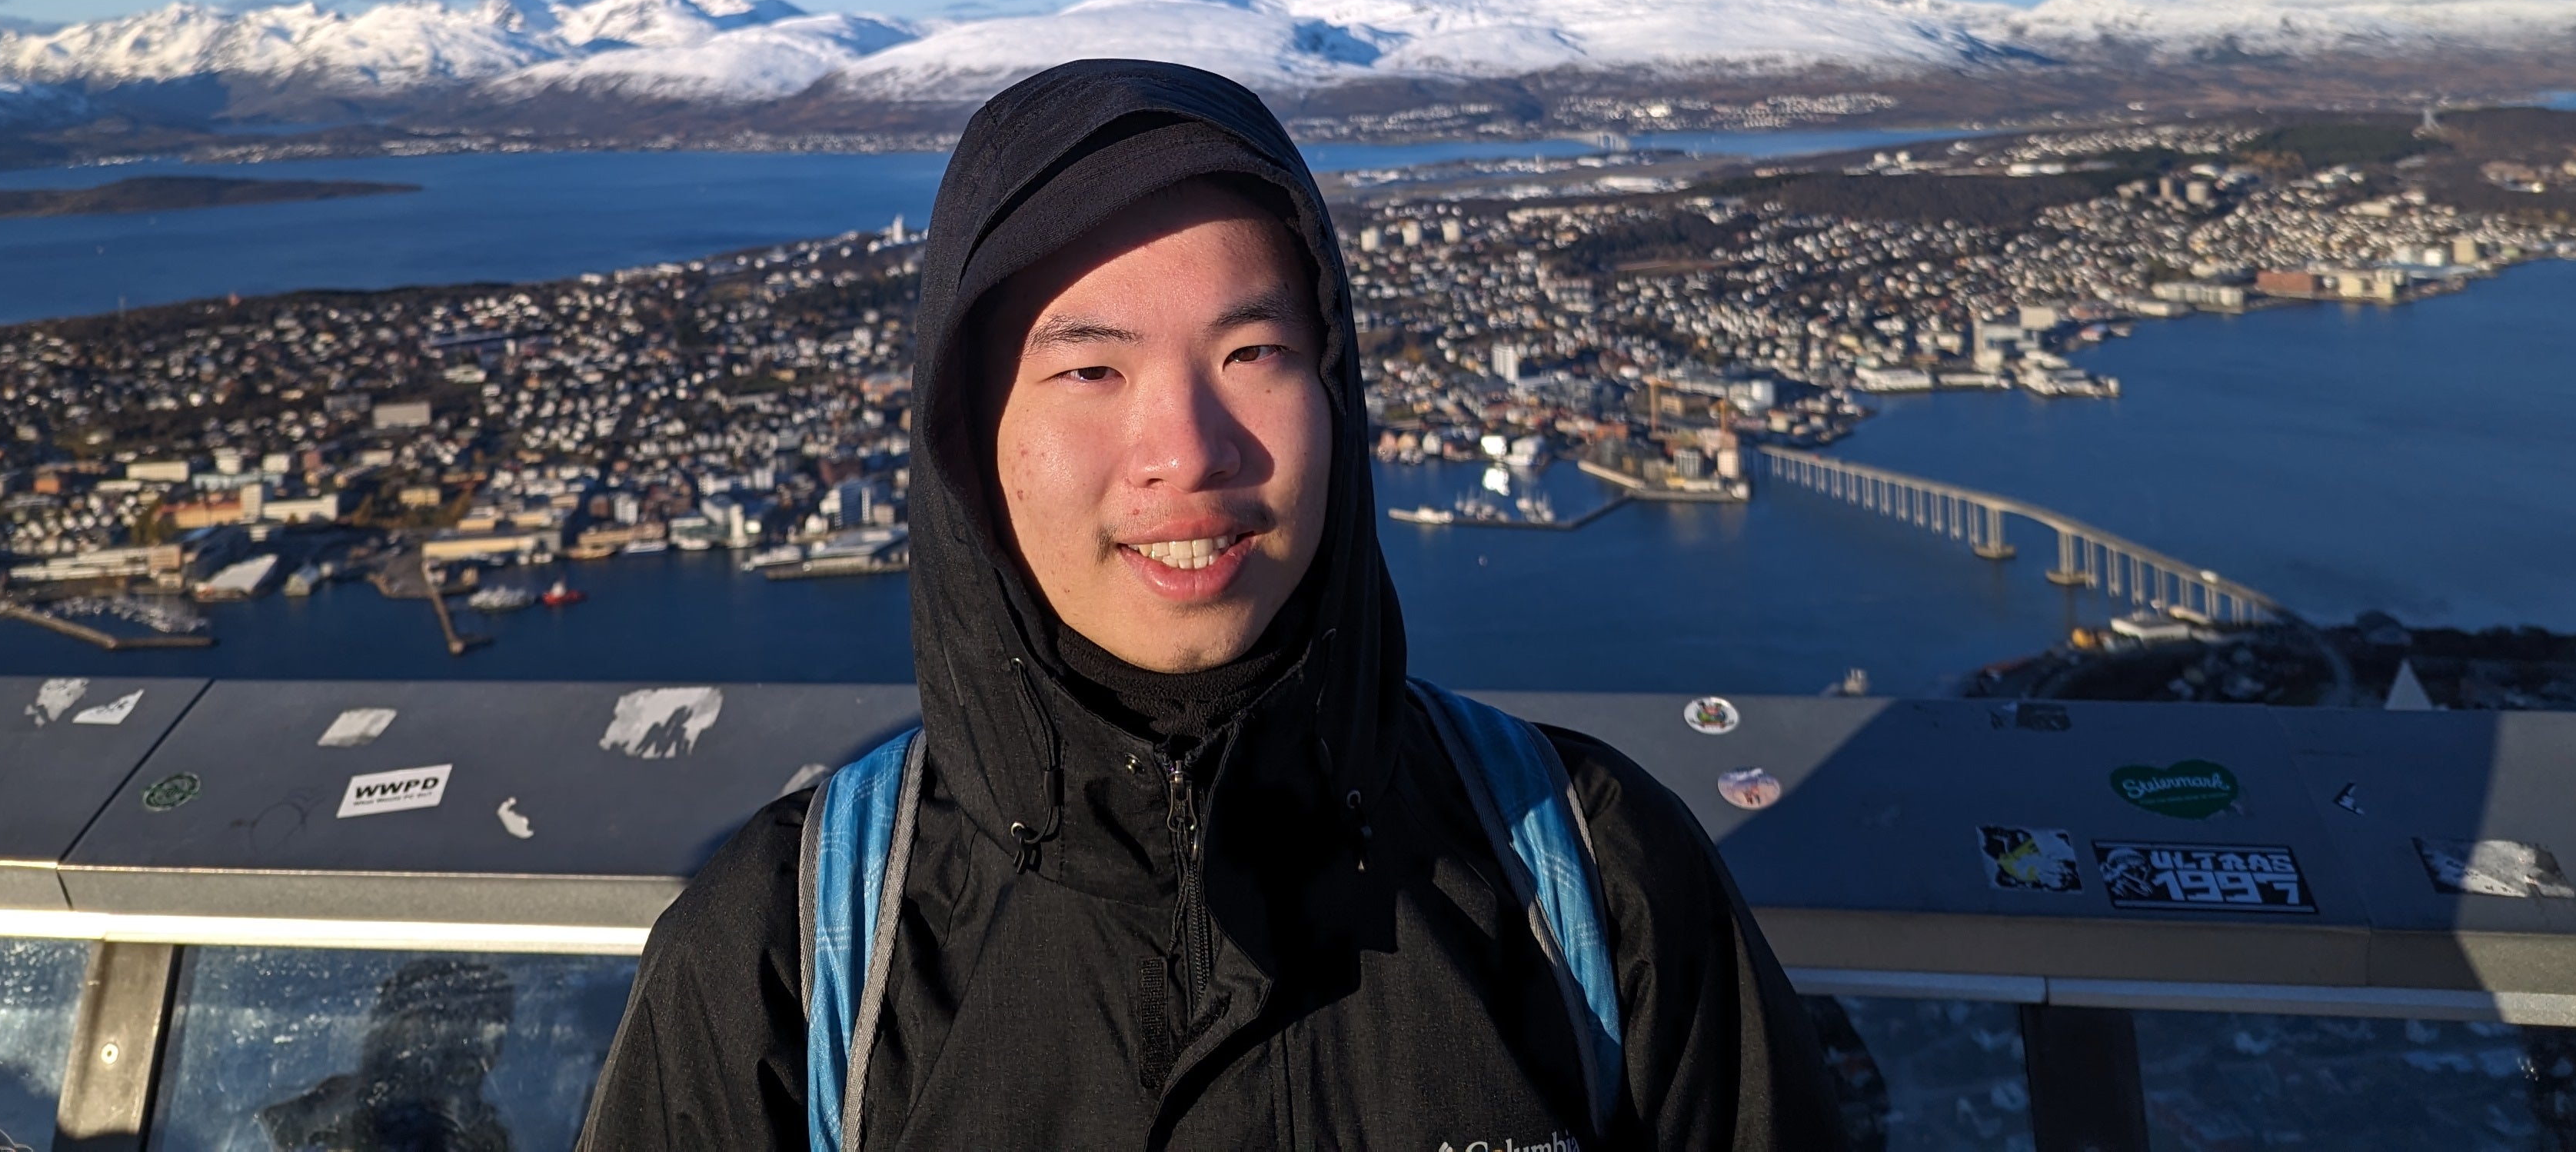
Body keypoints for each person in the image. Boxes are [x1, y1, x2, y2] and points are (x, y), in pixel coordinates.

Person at [580, 59, 1835, 1150]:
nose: (1186, 451)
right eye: (1089, 368)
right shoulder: (789, 962)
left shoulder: (1599, 882)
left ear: (1336, 394)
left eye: (1254, 355)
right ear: (966, 437)